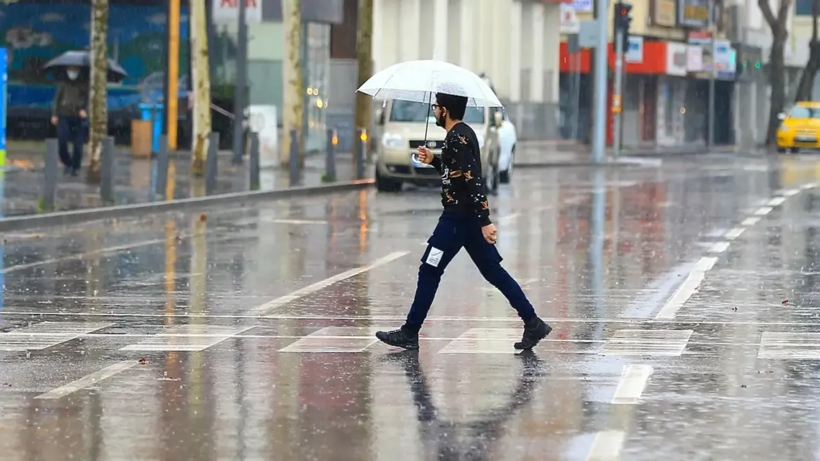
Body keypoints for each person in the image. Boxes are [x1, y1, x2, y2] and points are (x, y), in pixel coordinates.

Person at [375, 92, 551, 351]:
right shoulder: (460, 134)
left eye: (436, 107)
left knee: (429, 268)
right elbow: (455, 174)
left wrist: (485, 220)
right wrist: (435, 160)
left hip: (457, 219)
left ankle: (410, 332)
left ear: (445, 110)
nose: (434, 111)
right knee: (492, 271)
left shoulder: (458, 137)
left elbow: (473, 180)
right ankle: (533, 322)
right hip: (465, 218)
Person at [51, 66, 88, 176]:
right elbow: (57, 100)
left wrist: (85, 111)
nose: (72, 72)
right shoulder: (63, 84)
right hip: (64, 115)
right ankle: (67, 162)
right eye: (70, 69)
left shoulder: (84, 84)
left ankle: (75, 166)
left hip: (78, 117)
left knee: (78, 144)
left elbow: (89, 100)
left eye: (75, 70)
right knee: (62, 140)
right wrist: (54, 114)